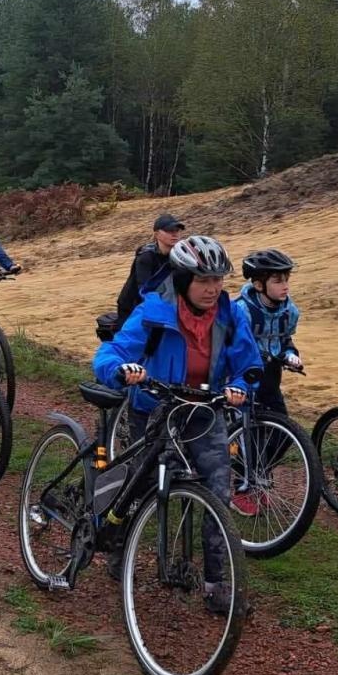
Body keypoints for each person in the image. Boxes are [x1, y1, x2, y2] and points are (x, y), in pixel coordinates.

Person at [92, 235, 261, 615]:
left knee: (218, 492)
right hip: (155, 408)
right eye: (203, 280)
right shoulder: (154, 312)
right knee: (141, 483)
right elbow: (112, 352)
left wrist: (238, 386)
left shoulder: (231, 315)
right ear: (183, 279)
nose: (212, 288)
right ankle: (118, 549)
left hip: (205, 409)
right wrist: (120, 369)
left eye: (218, 280)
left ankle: (217, 584)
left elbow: (248, 365)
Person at [234, 249, 302, 414]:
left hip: (271, 378)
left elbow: (285, 339)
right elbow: (233, 346)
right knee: (243, 430)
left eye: (287, 280)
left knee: (282, 431)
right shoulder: (242, 311)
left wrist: (290, 354)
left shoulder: (290, 311)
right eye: (278, 281)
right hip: (244, 378)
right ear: (258, 285)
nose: (285, 286)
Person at [114, 213, 188, 326]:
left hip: (162, 303)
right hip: (132, 306)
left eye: (177, 230)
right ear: (157, 234)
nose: (174, 234)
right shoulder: (146, 257)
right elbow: (144, 289)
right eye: (169, 230)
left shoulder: (179, 256)